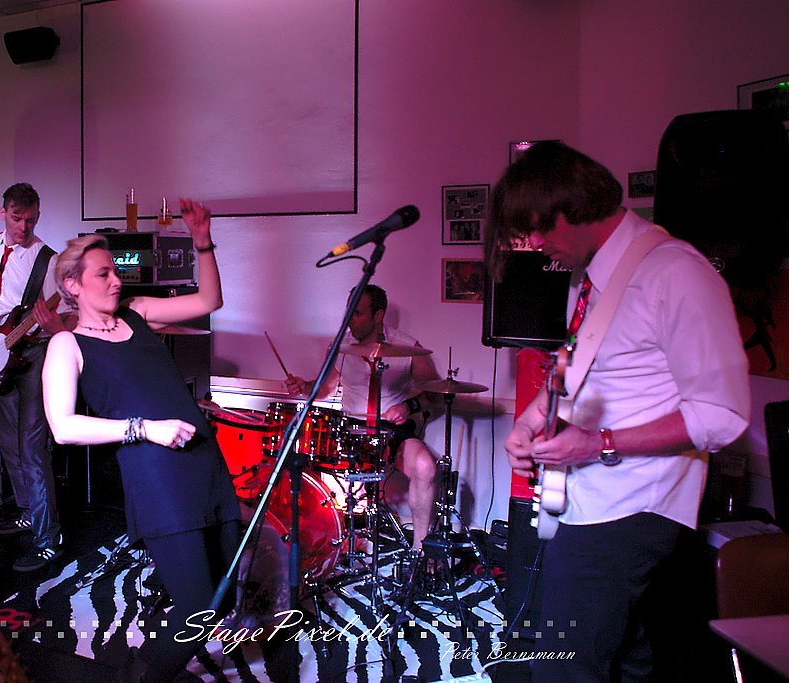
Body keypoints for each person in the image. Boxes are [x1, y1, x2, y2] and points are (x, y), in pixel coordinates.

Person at [486, 141, 750, 681]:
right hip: (590, 498)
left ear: (574, 208)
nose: (535, 244)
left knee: (563, 668)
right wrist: (532, 418)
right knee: (627, 663)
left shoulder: (676, 273)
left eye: (539, 228)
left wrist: (597, 444)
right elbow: (580, 365)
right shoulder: (591, 278)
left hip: (631, 505)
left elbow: (721, 414)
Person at [42, 199, 240, 683]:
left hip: (204, 462)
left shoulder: (137, 313)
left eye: (115, 272)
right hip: (157, 477)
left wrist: (202, 242)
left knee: (224, 596)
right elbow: (63, 427)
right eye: (104, 274)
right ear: (72, 285)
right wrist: (145, 428)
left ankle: (150, 664)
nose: (116, 281)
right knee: (198, 608)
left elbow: (208, 301)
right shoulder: (67, 344)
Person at [284, 284, 440, 552]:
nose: (350, 320)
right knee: (303, 457)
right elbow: (324, 389)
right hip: (351, 430)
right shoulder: (341, 347)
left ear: (378, 315)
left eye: (357, 314)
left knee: (426, 466)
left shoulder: (408, 347)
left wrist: (408, 406)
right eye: (349, 313)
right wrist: (304, 386)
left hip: (391, 430)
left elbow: (434, 394)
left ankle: (420, 550)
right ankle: (326, 541)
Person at [0, 183, 75, 572]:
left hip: (34, 354)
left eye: (31, 220)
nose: (23, 228)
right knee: (9, 445)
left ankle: (49, 540)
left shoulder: (48, 260)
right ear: (3, 213)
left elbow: (67, 314)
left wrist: (50, 324)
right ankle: (29, 512)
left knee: (32, 448)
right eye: (17, 219)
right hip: (0, 351)